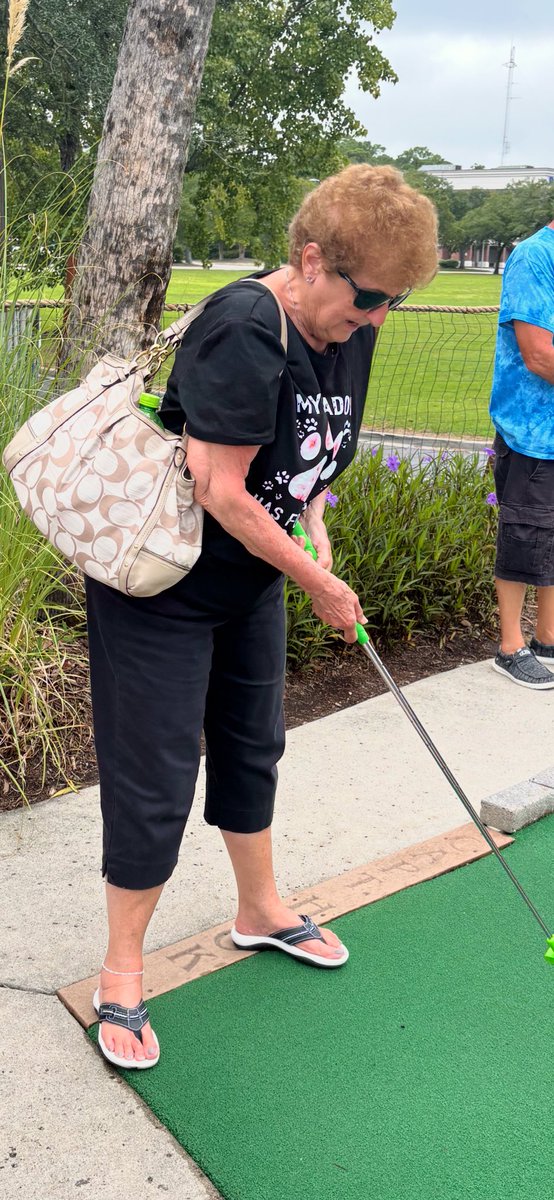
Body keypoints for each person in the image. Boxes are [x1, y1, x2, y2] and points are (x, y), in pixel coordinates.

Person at [85, 164, 438, 1069]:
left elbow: (307, 461)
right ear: (312, 261)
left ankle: (260, 910)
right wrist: (321, 584)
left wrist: (315, 529)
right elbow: (221, 486)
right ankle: (121, 972)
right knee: (157, 775)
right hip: (162, 587)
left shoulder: (349, 328)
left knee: (252, 745)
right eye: (368, 299)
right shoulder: (244, 328)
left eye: (391, 302)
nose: (378, 320)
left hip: (248, 578)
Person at [489, 219, 554, 690]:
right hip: (531, 430)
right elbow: (539, 355)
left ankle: (548, 635)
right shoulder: (534, 257)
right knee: (524, 534)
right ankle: (510, 645)